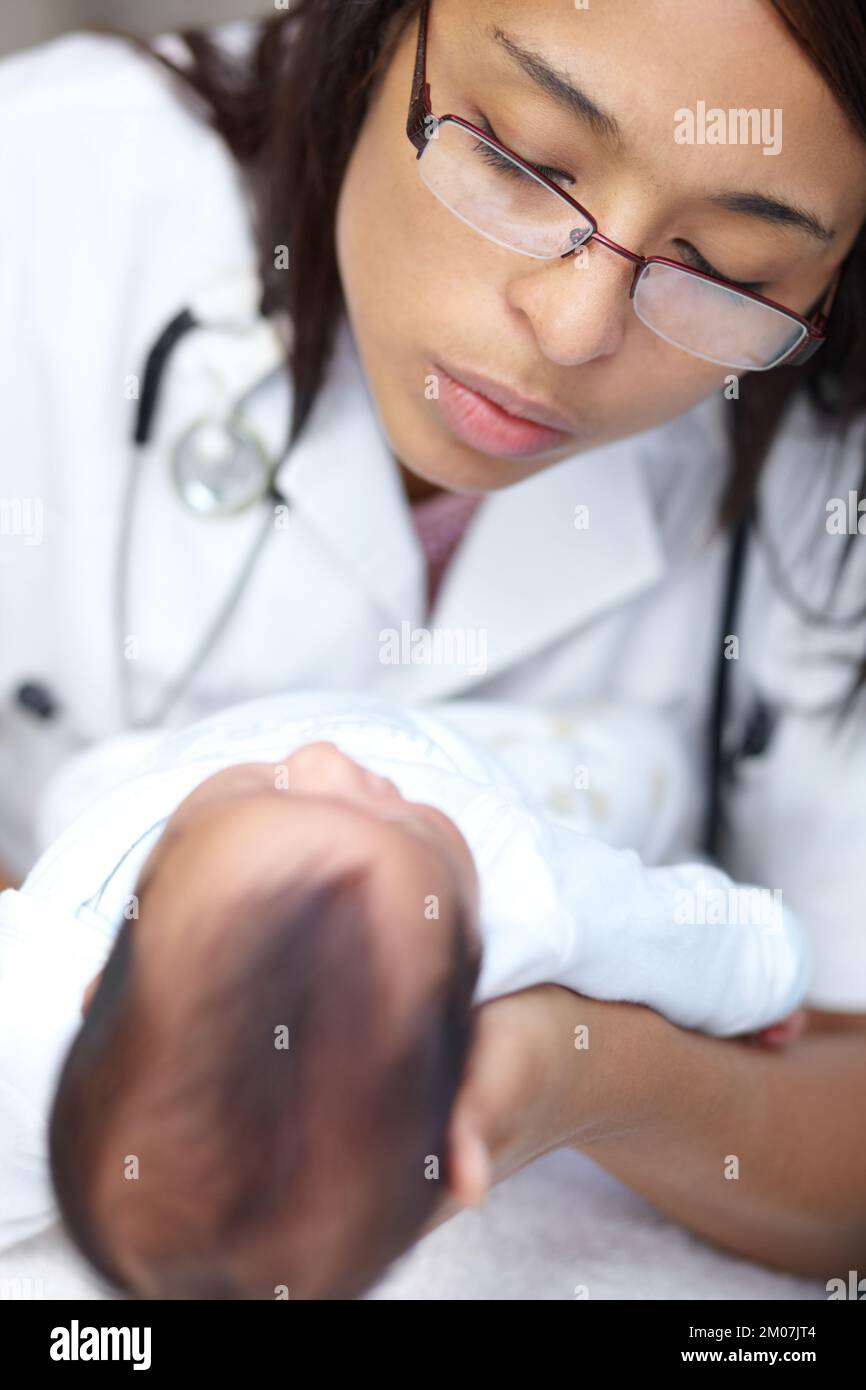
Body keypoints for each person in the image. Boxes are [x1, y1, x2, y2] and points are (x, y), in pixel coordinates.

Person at [1, 0, 865, 1277]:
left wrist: (584, 1068)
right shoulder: (48, 187)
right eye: (517, 158)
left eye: (730, 270)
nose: (576, 328)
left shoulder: (827, 457)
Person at [0, 691, 809, 1297]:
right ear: (460, 1145)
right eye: (407, 825)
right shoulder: (518, 886)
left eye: (266, 796)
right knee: (637, 765)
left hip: (160, 765)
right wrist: (771, 973)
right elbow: (670, 931)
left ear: (96, 989)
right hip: (444, 742)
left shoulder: (33, 1007)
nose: (326, 761)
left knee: (72, 788)